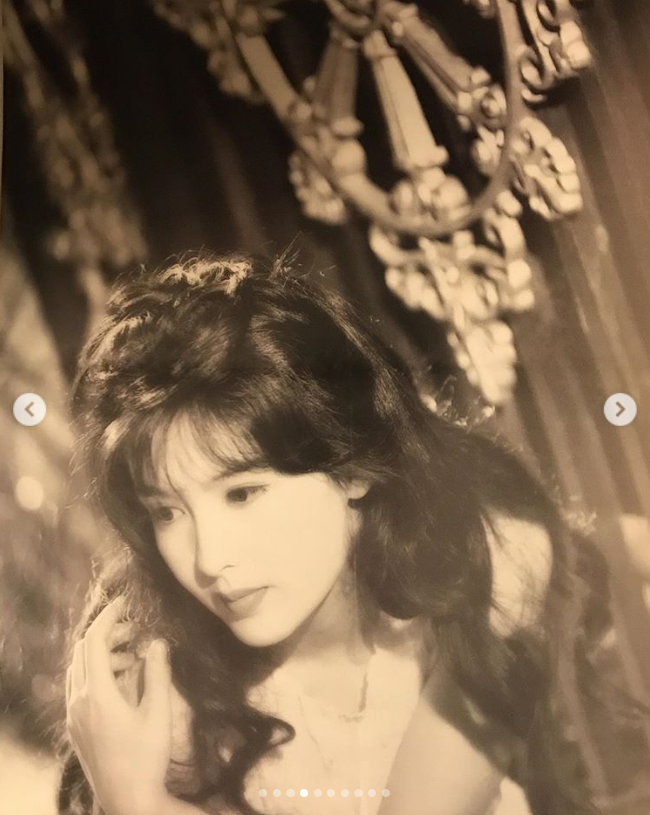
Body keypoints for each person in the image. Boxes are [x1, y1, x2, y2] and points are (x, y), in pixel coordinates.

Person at [56, 254, 609, 815]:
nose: (209, 560)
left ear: (354, 466)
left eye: (242, 493)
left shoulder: (494, 552)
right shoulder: (159, 695)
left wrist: (136, 800)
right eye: (167, 512)